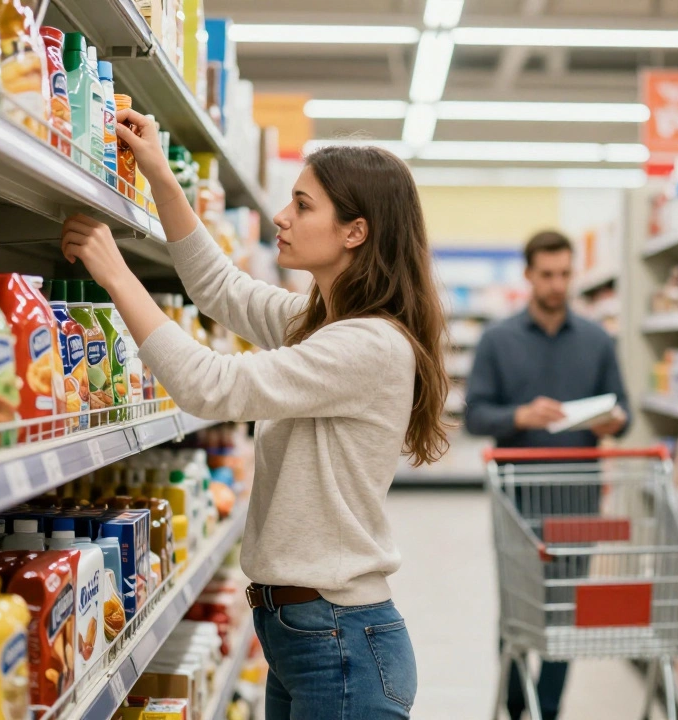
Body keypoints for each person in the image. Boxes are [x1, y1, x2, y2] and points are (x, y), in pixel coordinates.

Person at [61, 111, 449, 720]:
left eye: (303, 205)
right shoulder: (323, 325)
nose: (281, 217)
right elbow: (221, 289)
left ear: (355, 232)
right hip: (307, 635)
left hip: (340, 642)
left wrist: (115, 275)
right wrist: (161, 175)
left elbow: (209, 385)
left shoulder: (367, 345)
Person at [464, 230, 630, 720]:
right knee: (517, 606)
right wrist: (520, 416)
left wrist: (614, 420)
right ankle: (516, 703)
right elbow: (475, 416)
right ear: (529, 275)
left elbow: (624, 412)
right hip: (516, 496)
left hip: (578, 493)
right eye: (547, 274)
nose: (557, 284)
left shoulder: (597, 340)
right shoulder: (498, 340)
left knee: (565, 608)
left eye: (564, 274)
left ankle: (549, 708)